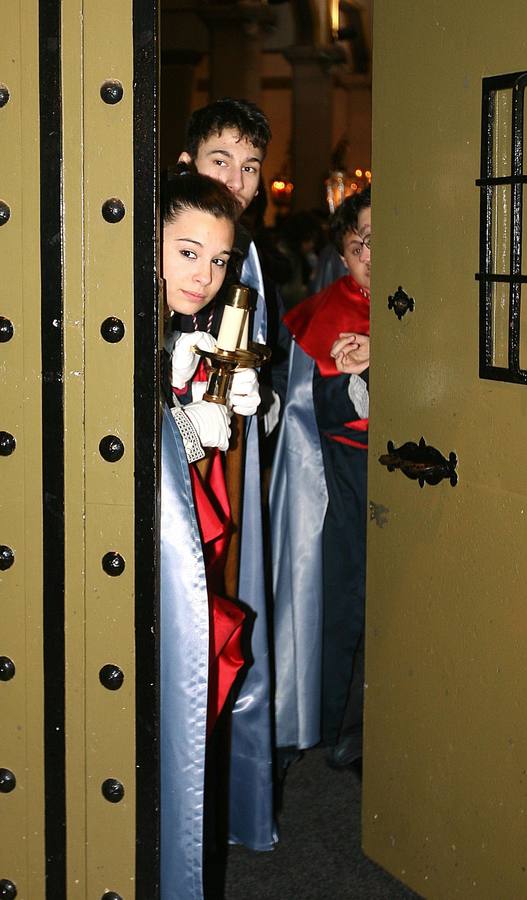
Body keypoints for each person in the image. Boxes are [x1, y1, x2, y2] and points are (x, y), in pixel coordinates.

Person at [177, 98, 277, 853]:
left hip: (217, 470)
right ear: (185, 166)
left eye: (249, 169)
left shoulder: (240, 254)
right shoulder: (176, 238)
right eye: (221, 163)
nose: (238, 184)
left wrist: (253, 398)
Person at [160, 171, 260, 900]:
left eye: (220, 260)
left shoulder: (185, 328)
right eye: (189, 252)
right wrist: (187, 431)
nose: (206, 275)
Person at [270, 187, 371, 770]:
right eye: (362, 243)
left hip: (414, 474)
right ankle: (333, 723)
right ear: (342, 249)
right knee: (342, 603)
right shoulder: (323, 312)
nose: (373, 254)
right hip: (343, 477)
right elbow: (327, 408)